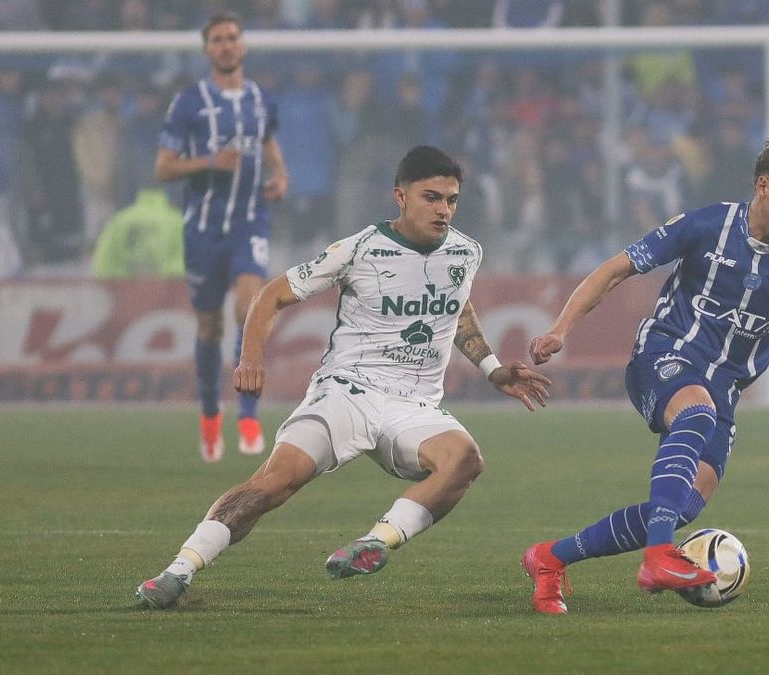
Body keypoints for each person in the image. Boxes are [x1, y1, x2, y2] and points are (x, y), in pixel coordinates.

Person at [136, 145, 552, 609]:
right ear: (401, 197)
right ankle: (178, 570)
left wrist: (492, 370)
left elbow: (458, 308)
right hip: (346, 392)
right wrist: (250, 357)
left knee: (465, 459)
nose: (443, 210)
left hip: (413, 406)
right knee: (272, 485)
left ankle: (376, 542)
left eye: (451, 200)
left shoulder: (465, 251)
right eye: (432, 198)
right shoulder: (360, 249)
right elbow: (271, 295)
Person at [522, 137, 769, 614]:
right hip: (663, 354)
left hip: (724, 388)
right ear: (763, 186)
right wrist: (560, 329)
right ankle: (659, 556)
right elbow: (615, 270)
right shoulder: (706, 225)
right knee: (695, 412)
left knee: (683, 505)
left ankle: (549, 558)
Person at [155, 11, 289, 462]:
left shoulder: (262, 99)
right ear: (207, 49)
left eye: (232, 37)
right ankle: (210, 414)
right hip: (203, 229)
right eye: (217, 39)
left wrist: (280, 174)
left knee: (248, 310)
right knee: (210, 326)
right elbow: (163, 167)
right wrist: (209, 162)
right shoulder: (188, 103)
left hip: (250, 222)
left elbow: (267, 141)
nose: (227, 45)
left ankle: (248, 414)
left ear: (243, 44)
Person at [91, 186, 185, 279]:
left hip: (126, 286)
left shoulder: (121, 219)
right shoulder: (176, 220)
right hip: (168, 285)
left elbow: (103, 265)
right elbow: (187, 262)